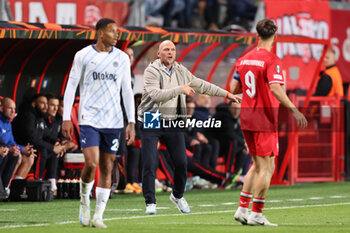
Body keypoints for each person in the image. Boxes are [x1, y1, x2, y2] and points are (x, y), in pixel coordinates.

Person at [137, 39, 241, 215]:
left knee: (181, 161)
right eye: (166, 49)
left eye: (173, 50)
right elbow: (155, 95)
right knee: (149, 161)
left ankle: (177, 195)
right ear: (158, 53)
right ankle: (150, 202)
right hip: (151, 117)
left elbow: (201, 84)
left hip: (172, 118)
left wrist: (228, 94)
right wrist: (180, 89)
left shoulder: (180, 70)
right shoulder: (151, 71)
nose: (170, 52)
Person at [230, 19, 307, 226]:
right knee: (267, 167)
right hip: (264, 119)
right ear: (275, 37)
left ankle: (242, 209)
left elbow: (234, 87)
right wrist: (294, 109)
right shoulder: (272, 60)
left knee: (256, 165)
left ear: (257, 36)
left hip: (247, 118)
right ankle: (256, 213)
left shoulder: (244, 59)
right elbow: (275, 87)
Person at [62, 18, 135, 228]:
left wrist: (130, 121)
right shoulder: (83, 55)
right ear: (101, 33)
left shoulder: (121, 58)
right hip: (89, 118)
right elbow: (71, 86)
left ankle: (98, 215)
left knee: (107, 166)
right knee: (92, 163)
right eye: (113, 31)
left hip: (113, 120)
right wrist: (67, 117)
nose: (117, 35)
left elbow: (127, 91)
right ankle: (84, 201)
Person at [0, 97, 36, 197]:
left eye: (14, 109)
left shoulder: (8, 123)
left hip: (6, 151)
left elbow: (12, 143)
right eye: (10, 108)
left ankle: (15, 189)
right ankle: (4, 187)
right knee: (16, 156)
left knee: (29, 156)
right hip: (3, 152)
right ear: (1, 108)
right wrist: (16, 150)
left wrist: (21, 149)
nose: (13, 111)